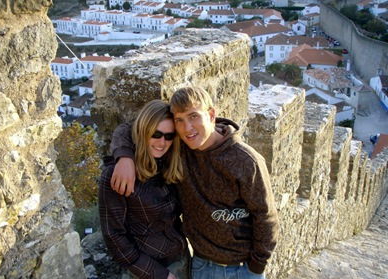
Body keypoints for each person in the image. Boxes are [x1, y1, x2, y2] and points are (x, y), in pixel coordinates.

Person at [110, 86, 279, 279]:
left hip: (241, 269)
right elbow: (130, 128)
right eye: (179, 120)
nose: (187, 128)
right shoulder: (178, 149)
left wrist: (256, 266)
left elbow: (265, 217)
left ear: (211, 114)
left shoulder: (246, 160)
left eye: (193, 116)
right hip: (200, 266)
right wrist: (123, 156)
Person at [98, 100, 189, 279]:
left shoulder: (169, 164)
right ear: (143, 131)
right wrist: (159, 275)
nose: (162, 143)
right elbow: (114, 237)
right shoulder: (115, 176)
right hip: (148, 271)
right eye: (156, 134)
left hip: (182, 259)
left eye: (169, 136)